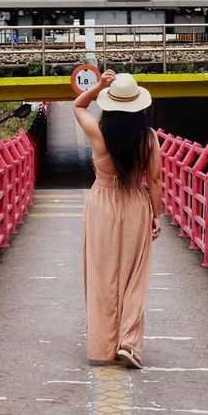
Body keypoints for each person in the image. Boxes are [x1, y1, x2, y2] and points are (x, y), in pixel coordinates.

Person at [74, 69, 163, 369]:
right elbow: (154, 181)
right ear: (140, 105)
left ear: (109, 103)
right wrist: (157, 216)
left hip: (101, 205)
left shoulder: (98, 131)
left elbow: (77, 106)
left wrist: (98, 85)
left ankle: (102, 345)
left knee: (102, 275)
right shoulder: (149, 138)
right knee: (134, 276)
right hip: (136, 205)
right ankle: (128, 343)